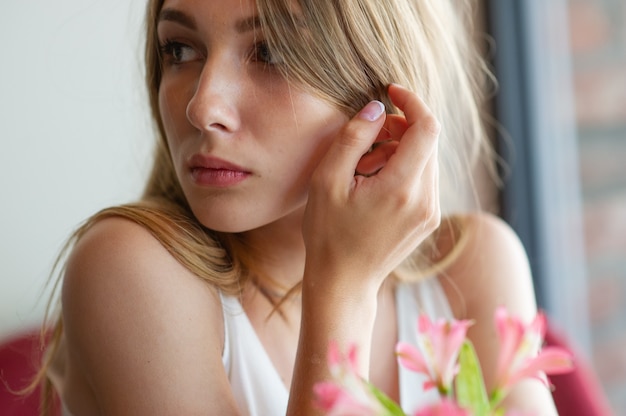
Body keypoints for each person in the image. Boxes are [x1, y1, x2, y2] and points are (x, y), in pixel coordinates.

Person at [31, 0, 559, 414]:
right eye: (179, 49)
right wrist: (342, 287)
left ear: (377, 89)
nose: (202, 105)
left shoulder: (475, 264)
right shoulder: (130, 269)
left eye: (270, 53)